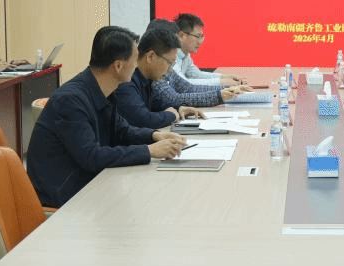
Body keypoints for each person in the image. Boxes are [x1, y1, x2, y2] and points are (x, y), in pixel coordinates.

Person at [26, 26, 187, 207]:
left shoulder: (102, 89)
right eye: (135, 59)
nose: (137, 65)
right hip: (66, 198)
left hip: (89, 184)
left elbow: (121, 130)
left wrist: (155, 136)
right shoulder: (70, 100)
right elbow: (92, 156)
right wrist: (149, 151)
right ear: (118, 66)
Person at [112, 21, 207, 129]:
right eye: (169, 63)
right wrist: (171, 115)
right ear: (150, 56)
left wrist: (179, 109)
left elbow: (157, 106)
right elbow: (143, 120)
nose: (170, 70)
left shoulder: (148, 78)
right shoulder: (127, 80)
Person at [173, 13, 248, 87]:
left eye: (202, 37)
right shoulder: (170, 55)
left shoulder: (185, 54)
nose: (200, 42)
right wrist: (221, 82)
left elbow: (195, 75)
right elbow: (183, 84)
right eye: (198, 36)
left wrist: (224, 77)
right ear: (181, 35)